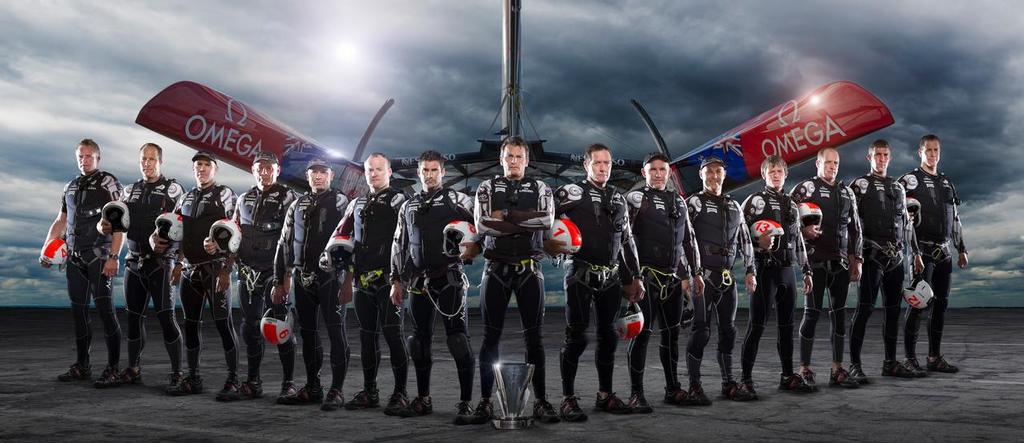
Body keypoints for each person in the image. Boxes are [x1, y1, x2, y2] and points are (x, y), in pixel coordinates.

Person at [547, 143, 644, 420]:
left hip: (611, 277)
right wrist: (549, 247)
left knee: (608, 338)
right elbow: (545, 223)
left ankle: (605, 395)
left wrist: (634, 276)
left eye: (607, 163)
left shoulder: (617, 197)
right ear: (586, 165)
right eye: (598, 163)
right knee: (576, 338)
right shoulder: (570, 193)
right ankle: (567, 398)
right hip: (579, 274)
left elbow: (626, 241)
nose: (603, 168)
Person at [471, 136, 560, 424]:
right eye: (509, 156)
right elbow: (482, 224)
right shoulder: (487, 187)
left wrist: (507, 216)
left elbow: (546, 220)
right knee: (490, 338)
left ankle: (542, 401)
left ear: (527, 160)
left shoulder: (540, 187)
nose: (513, 161)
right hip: (495, 269)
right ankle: (485, 402)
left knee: (534, 339)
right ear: (501, 158)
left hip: (529, 270)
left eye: (518, 156)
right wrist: (522, 223)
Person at [389, 150, 479, 423]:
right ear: (419, 173)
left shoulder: (457, 199)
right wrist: (396, 280)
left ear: (443, 173)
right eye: (424, 171)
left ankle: (465, 403)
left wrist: (473, 249)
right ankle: (423, 398)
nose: (429, 175)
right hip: (418, 281)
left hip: (449, 278)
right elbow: (399, 243)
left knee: (458, 340)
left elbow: (481, 225)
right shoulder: (409, 206)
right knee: (418, 341)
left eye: (434, 170)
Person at [95, 143, 184, 391]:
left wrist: (180, 262)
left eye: (152, 159)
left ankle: (178, 373)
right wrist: (103, 228)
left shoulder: (174, 190)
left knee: (166, 318)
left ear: (161, 162)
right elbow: (114, 225)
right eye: (143, 159)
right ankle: (133, 369)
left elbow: (185, 229)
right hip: (134, 262)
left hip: (161, 263)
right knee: (133, 320)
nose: (147, 163)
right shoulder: (129, 191)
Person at [330, 153, 412, 416]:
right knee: (367, 338)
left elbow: (409, 240)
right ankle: (370, 391)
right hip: (362, 280)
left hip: (389, 280)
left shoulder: (401, 200)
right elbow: (344, 239)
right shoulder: (356, 203)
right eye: (369, 170)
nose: (374, 173)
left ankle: (400, 394)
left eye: (379, 169)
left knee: (393, 336)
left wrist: (400, 280)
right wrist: (346, 278)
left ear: (389, 172)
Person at [152, 151, 238, 397]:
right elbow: (178, 233)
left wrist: (226, 269)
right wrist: (178, 263)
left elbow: (236, 233)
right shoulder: (186, 198)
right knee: (191, 326)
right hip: (190, 270)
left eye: (206, 165)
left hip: (215, 269)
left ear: (215, 169)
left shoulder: (225, 195)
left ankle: (233, 380)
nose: (201, 169)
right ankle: (193, 378)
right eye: (197, 165)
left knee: (223, 325)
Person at [623, 153, 703, 412]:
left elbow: (689, 240)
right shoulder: (636, 199)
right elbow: (624, 239)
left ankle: (673, 389)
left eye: (662, 170)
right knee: (642, 337)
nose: (658, 174)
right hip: (645, 280)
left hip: (673, 280)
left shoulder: (679, 202)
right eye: (653, 170)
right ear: (644, 173)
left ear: (668, 172)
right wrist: (630, 277)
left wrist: (697, 272)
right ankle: (636, 394)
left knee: (671, 338)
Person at [43, 139, 124, 385]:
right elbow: (61, 219)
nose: (84, 159)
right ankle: (82, 365)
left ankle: (113, 369)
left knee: (106, 312)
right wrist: (47, 247)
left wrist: (114, 256)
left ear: (98, 158)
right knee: (78, 312)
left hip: (99, 255)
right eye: (80, 155)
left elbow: (121, 221)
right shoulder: (70, 186)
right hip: (74, 257)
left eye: (89, 156)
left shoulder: (108, 182)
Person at [273, 158, 351, 410]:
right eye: (313, 172)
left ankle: (337, 390)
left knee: (335, 331)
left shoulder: (340, 201)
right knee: (308, 334)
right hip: (302, 276)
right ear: (307, 176)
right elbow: (284, 242)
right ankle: (313, 386)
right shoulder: (297, 204)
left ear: (331, 176)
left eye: (323, 172)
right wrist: (280, 277)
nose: (318, 176)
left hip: (331, 276)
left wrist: (348, 278)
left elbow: (351, 240)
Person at [220, 152, 297, 400]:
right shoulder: (244, 198)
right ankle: (253, 381)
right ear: (253, 170)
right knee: (250, 327)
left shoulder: (288, 197)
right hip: (247, 273)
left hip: (273, 273)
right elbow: (234, 236)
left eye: (268, 168)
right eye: (259, 168)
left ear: (277, 170)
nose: (263, 172)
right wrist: (226, 267)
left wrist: (286, 276)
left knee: (281, 327)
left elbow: (292, 239)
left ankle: (289, 384)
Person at [848, 139, 924, 383]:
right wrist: (855, 257)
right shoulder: (859, 185)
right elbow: (851, 225)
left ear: (889, 158)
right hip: (870, 256)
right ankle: (854, 366)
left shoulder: (897, 188)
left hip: (896, 258)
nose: (881, 159)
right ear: (869, 157)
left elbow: (907, 225)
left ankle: (890, 363)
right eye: (877, 155)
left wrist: (916, 253)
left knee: (893, 312)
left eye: (885, 155)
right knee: (865, 310)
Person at [682, 156, 756, 405]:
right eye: (709, 171)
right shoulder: (693, 202)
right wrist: (687, 275)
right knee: (700, 331)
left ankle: (728, 384)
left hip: (727, 278)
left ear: (724, 175)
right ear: (701, 175)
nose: (714, 176)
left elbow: (745, 238)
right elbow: (681, 239)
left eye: (718, 171)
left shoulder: (734, 205)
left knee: (729, 331)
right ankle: (694, 386)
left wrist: (750, 269)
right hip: (701, 277)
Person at [739, 155, 814, 396]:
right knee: (757, 326)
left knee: (787, 327)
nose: (775, 174)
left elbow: (797, 239)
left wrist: (806, 269)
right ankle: (746, 379)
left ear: (785, 174)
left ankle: (787, 375)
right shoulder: (754, 201)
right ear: (763, 175)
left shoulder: (792, 204)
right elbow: (740, 237)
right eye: (771, 171)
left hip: (786, 271)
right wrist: (751, 264)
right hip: (764, 270)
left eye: (779, 171)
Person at [790, 147, 863, 389]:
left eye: (836, 163)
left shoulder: (846, 193)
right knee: (811, 314)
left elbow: (855, 229)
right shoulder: (804, 189)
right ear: (818, 164)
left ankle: (837, 369)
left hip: (840, 262)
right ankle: (804, 369)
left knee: (839, 316)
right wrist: (802, 231)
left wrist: (857, 259)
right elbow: (786, 220)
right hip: (814, 262)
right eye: (828, 162)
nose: (833, 167)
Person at [899, 134, 968, 374]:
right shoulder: (909, 181)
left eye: (936, 150)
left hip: (945, 251)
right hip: (921, 251)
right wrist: (913, 251)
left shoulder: (947, 183)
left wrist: (962, 248)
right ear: (920, 152)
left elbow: (955, 218)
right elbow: (900, 220)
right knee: (919, 304)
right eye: (928, 150)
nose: (932, 154)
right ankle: (910, 359)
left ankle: (934, 357)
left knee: (941, 304)